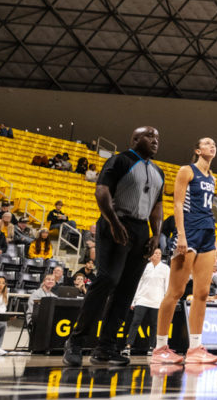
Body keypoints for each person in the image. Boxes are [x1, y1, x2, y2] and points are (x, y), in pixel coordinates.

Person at [63, 126, 164, 367]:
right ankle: (76, 342)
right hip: (115, 222)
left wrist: (156, 234)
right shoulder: (119, 160)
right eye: (150, 136)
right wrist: (114, 222)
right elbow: (102, 191)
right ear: (135, 139)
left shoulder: (159, 171)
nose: (155, 141)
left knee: (127, 290)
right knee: (107, 280)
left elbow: (157, 206)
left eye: (157, 137)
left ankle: (105, 348)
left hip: (141, 231)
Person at [151, 137, 217, 365]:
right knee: (176, 292)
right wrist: (180, 234)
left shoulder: (213, 178)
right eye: (208, 143)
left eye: (214, 144)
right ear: (198, 149)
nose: (212, 146)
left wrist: (216, 243)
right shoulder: (186, 171)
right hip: (188, 231)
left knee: (202, 293)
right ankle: (160, 348)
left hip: (207, 234)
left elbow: (209, 210)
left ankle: (195, 348)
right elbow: (178, 204)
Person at [125, 248, 168, 356]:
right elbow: (139, 284)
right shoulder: (145, 266)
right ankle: (128, 346)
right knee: (135, 322)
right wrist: (134, 301)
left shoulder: (165, 268)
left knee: (154, 325)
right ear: (151, 255)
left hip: (157, 301)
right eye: (155, 253)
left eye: (159, 253)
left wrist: (165, 301)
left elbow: (167, 286)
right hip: (142, 299)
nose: (158, 255)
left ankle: (152, 347)